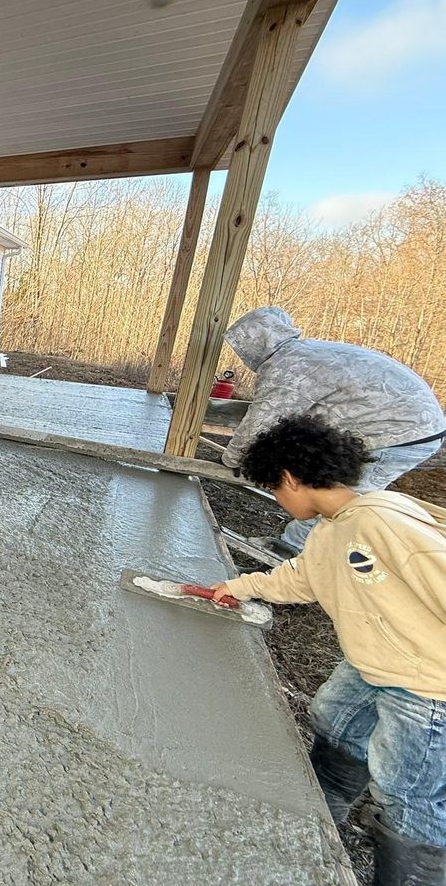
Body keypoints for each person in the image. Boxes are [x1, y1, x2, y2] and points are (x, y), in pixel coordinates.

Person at [210, 415, 445, 885]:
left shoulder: (381, 523)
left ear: (293, 478)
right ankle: (318, 827)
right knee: (334, 723)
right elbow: (302, 577)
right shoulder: (336, 526)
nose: (278, 499)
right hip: (375, 663)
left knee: (408, 793)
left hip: (427, 685)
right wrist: (239, 586)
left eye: (276, 489)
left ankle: (413, 874)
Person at [221, 307, 445, 555]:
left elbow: (260, 422)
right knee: (331, 495)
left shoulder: (287, 366)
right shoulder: (308, 352)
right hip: (409, 425)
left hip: (400, 433)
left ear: (252, 346)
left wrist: (231, 460)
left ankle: (290, 558)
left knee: (333, 500)